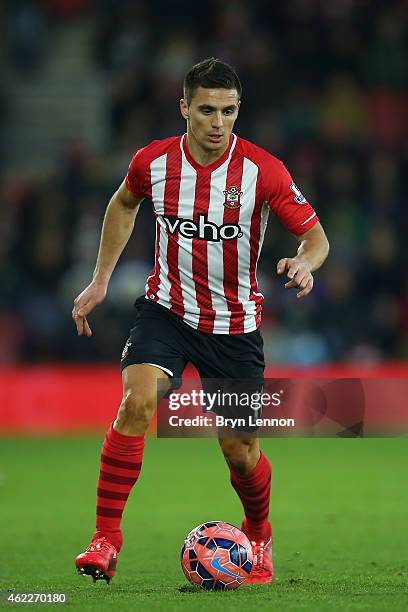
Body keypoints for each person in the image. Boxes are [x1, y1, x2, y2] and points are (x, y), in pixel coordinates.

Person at [72, 58, 329, 585]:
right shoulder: (154, 162)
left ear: (239, 111)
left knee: (240, 452)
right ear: (185, 108)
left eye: (229, 111)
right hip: (166, 311)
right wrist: (100, 280)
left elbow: (317, 238)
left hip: (235, 326)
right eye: (207, 110)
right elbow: (124, 204)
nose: (218, 123)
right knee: (137, 402)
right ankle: (105, 539)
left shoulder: (264, 170)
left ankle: (258, 531)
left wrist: (304, 262)